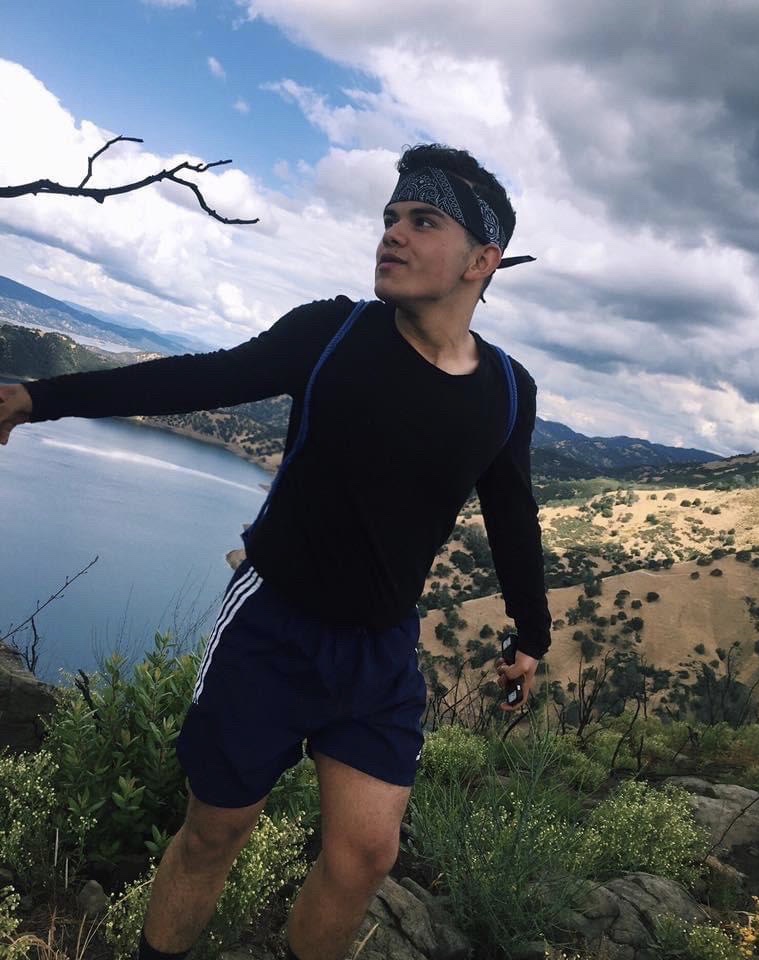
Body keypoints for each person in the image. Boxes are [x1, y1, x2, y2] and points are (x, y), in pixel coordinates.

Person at [0, 143, 552, 960]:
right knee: (216, 830)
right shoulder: (332, 332)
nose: (392, 233)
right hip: (273, 627)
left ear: (483, 258)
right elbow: (197, 380)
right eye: (390, 217)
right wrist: (38, 398)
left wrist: (532, 635)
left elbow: (513, 514)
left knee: (366, 856)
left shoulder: (507, 390)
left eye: (422, 220)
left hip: (379, 651)